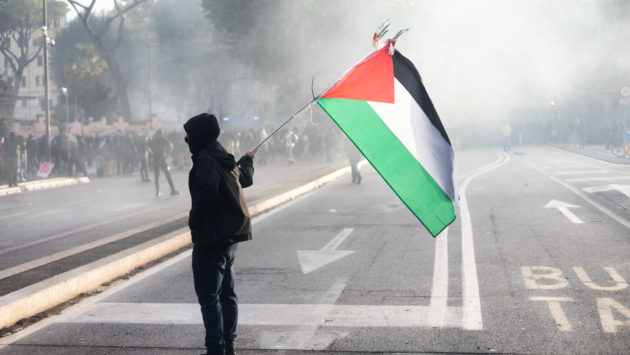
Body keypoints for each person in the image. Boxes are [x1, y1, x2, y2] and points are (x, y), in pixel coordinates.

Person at [183, 113, 256, 355]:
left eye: (189, 135)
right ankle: (229, 346)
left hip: (211, 239)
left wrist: (194, 223)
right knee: (227, 296)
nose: (186, 138)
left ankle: (215, 349)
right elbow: (245, 179)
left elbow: (208, 194)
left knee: (209, 298)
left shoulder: (205, 161)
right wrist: (247, 161)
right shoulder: (224, 158)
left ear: (199, 137)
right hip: (230, 239)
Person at [149, 129, 179, 196]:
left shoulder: (153, 139)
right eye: (163, 132)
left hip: (155, 159)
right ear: (162, 133)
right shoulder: (163, 138)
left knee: (156, 176)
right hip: (162, 159)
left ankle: (157, 191)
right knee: (168, 174)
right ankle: (172, 190)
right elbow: (171, 145)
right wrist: (168, 155)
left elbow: (147, 147)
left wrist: (152, 153)